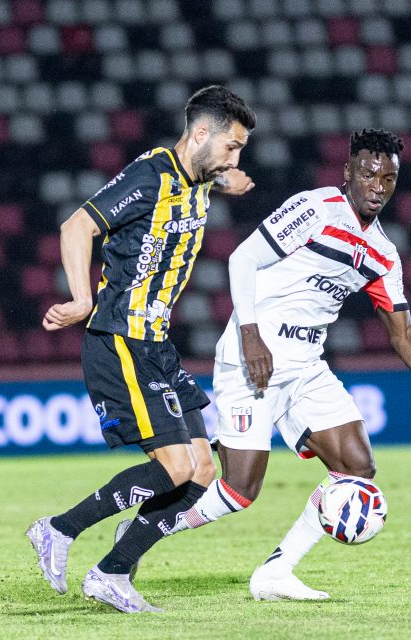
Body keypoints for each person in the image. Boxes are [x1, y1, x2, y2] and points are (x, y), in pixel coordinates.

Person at [161, 128, 411, 600]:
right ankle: (146, 530)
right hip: (255, 357)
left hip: (306, 365)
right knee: (240, 490)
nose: (378, 186)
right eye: (368, 174)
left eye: (388, 179)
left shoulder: (383, 254)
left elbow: (402, 332)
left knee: (357, 467)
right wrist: (250, 336)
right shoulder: (315, 209)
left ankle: (274, 573)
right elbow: (243, 260)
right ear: (348, 172)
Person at [26, 85, 256, 613]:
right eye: (231, 147)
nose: (235, 158)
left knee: (203, 471)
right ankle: (59, 530)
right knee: (175, 466)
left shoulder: (198, 176)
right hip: (119, 339)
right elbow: (76, 226)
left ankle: (113, 569)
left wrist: (226, 179)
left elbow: (203, 179)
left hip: (157, 345)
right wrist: (82, 298)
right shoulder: (150, 175)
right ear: (201, 133)